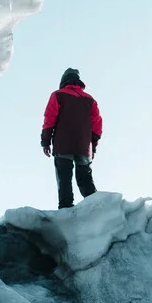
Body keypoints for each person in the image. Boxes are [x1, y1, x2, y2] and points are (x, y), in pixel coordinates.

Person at [41, 68, 102, 209]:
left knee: (64, 178)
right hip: (84, 146)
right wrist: (93, 145)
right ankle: (96, 209)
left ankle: (66, 208)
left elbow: (49, 119)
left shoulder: (57, 95)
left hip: (63, 144)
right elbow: (97, 124)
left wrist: (45, 141)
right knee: (85, 179)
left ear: (63, 81)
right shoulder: (90, 99)